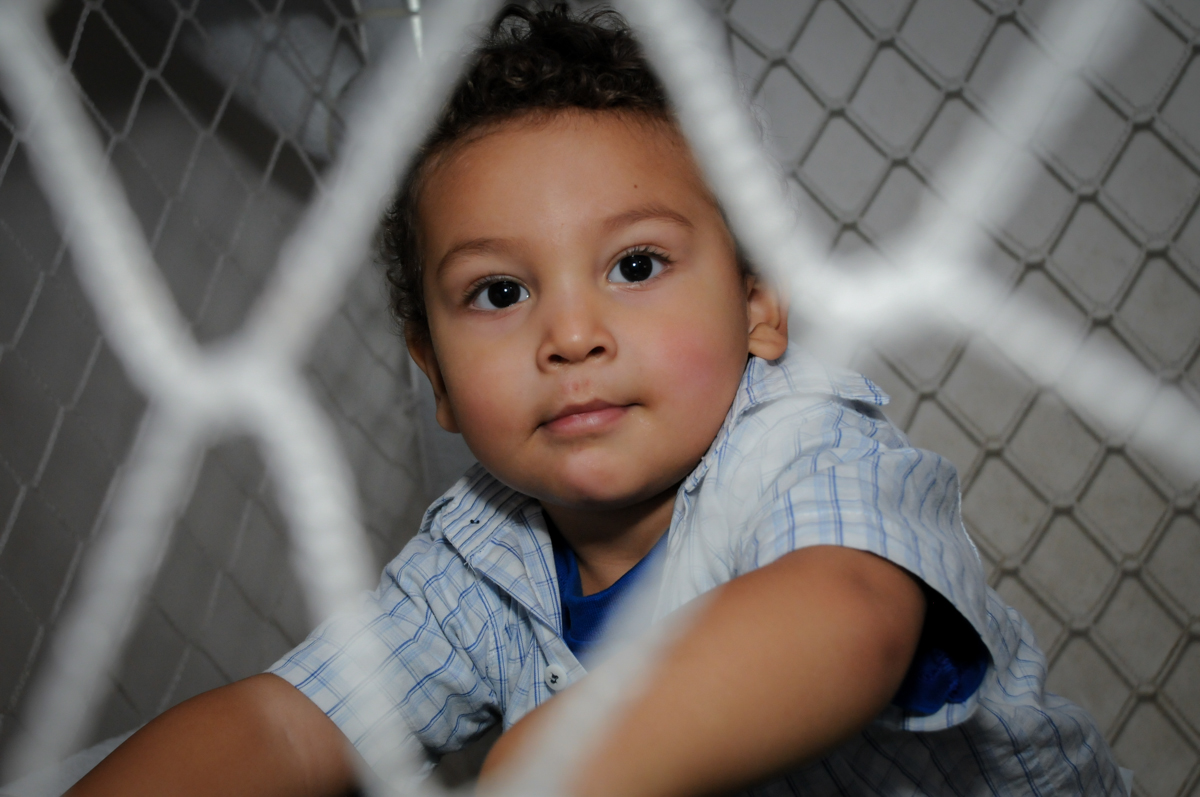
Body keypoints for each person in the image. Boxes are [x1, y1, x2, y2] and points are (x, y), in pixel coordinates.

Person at [69, 5, 1125, 796]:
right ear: (434, 377)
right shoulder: (478, 555)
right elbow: (292, 723)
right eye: (499, 291)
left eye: (634, 265)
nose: (570, 335)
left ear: (759, 308)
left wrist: (546, 757)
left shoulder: (803, 442)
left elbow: (851, 621)